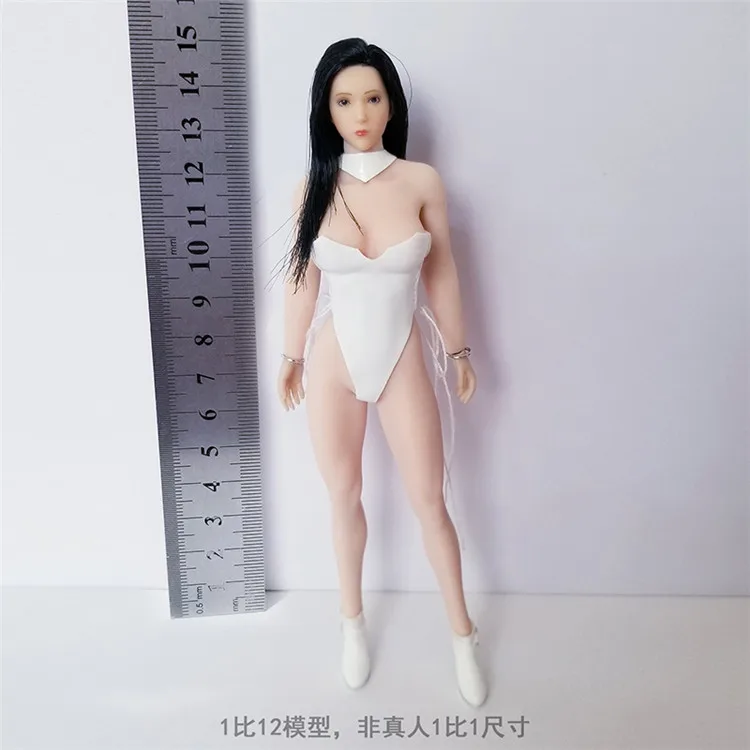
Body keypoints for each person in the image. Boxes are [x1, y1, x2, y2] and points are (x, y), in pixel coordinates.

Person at [277, 37, 487, 707]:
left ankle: (462, 634)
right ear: (326, 109)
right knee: (343, 495)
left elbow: (443, 270)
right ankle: (352, 623)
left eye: (372, 98)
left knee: (430, 500)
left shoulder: (420, 182)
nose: (360, 114)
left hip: (402, 361)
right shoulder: (314, 187)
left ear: (391, 104)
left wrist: (459, 349)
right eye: (344, 101)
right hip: (334, 364)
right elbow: (303, 282)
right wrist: (291, 354)